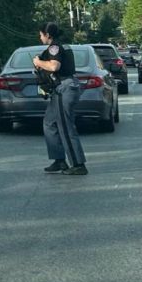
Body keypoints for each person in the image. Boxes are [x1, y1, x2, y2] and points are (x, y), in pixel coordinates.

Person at [32, 22, 88, 175]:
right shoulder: (63, 45)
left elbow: (54, 67)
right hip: (61, 88)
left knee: (65, 127)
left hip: (65, 88)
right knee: (50, 123)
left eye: (41, 34)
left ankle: (78, 164)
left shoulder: (54, 47)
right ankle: (59, 160)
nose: (40, 37)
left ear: (47, 35)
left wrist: (38, 62)